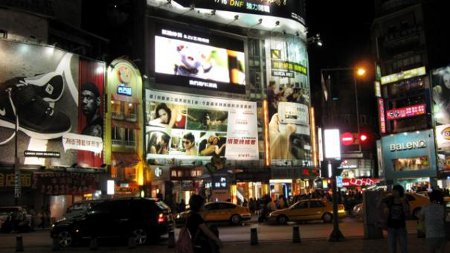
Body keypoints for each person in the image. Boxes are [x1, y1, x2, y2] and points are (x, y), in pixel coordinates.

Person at [382, 185, 410, 253]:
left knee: (403, 247)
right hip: (391, 227)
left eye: (395, 191)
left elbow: (407, 213)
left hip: (401, 227)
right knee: (391, 248)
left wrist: (403, 202)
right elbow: (379, 205)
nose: (393, 192)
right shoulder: (390, 200)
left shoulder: (404, 200)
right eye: (393, 190)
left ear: (399, 191)